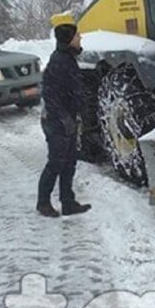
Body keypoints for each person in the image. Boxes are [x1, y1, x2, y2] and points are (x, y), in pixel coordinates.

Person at [36, 14, 92, 217]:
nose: (80, 38)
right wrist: (64, 119)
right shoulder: (60, 61)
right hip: (56, 121)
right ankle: (43, 203)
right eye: (77, 36)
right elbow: (50, 95)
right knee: (56, 163)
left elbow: (73, 91)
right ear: (69, 39)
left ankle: (68, 202)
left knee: (69, 163)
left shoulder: (68, 59)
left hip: (67, 118)